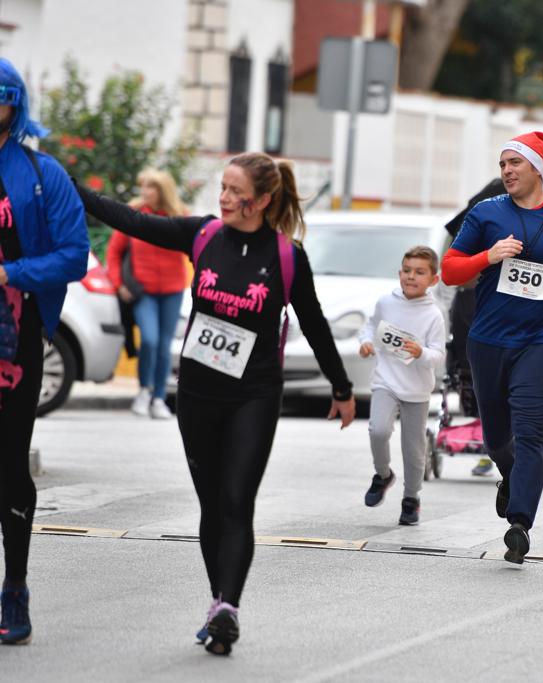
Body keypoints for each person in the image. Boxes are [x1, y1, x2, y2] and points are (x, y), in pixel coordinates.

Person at [75, 151, 356, 656]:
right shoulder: (202, 236)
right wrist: (72, 188)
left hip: (254, 393)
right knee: (211, 505)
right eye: (221, 189)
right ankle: (218, 599)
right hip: (199, 392)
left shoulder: (287, 256)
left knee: (235, 501)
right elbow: (133, 221)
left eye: (234, 191)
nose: (223, 198)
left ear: (262, 200)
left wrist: (340, 388)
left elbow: (313, 323)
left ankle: (228, 609)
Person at [441, 131, 543, 564]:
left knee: (531, 433)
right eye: (502, 165)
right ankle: (511, 478)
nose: (507, 171)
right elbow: (450, 270)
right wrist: (488, 257)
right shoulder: (485, 215)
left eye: (515, 163)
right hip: (490, 341)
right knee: (497, 439)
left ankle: (520, 524)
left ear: (537, 168)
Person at [0, 58, 90, 646]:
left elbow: (74, 255)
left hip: (15, 340)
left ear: (13, 104)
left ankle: (15, 588)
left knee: (9, 467)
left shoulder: (40, 172)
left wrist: (7, 272)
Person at [358, 246, 446, 525]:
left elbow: (438, 354)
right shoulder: (387, 302)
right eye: (407, 271)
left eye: (419, 272)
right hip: (386, 380)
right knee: (378, 429)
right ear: (399, 273)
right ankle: (382, 474)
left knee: (413, 448)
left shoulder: (434, 315)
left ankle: (411, 498)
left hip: (417, 389)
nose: (411, 277)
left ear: (433, 279)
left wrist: (421, 353)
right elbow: (370, 327)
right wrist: (366, 342)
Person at [106, 168, 190, 418]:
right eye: (143, 187)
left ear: (163, 191)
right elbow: (113, 252)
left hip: (173, 290)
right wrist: (119, 283)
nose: (145, 192)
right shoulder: (134, 214)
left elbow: (196, 248)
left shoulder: (180, 217)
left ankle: (159, 398)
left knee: (165, 345)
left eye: (150, 187)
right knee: (150, 340)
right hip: (143, 291)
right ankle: (144, 389)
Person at [443, 178, 507, 477]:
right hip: (472, 306)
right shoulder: (469, 224)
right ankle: (486, 441)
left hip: (502, 309)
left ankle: (497, 444)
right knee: (475, 374)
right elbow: (450, 272)